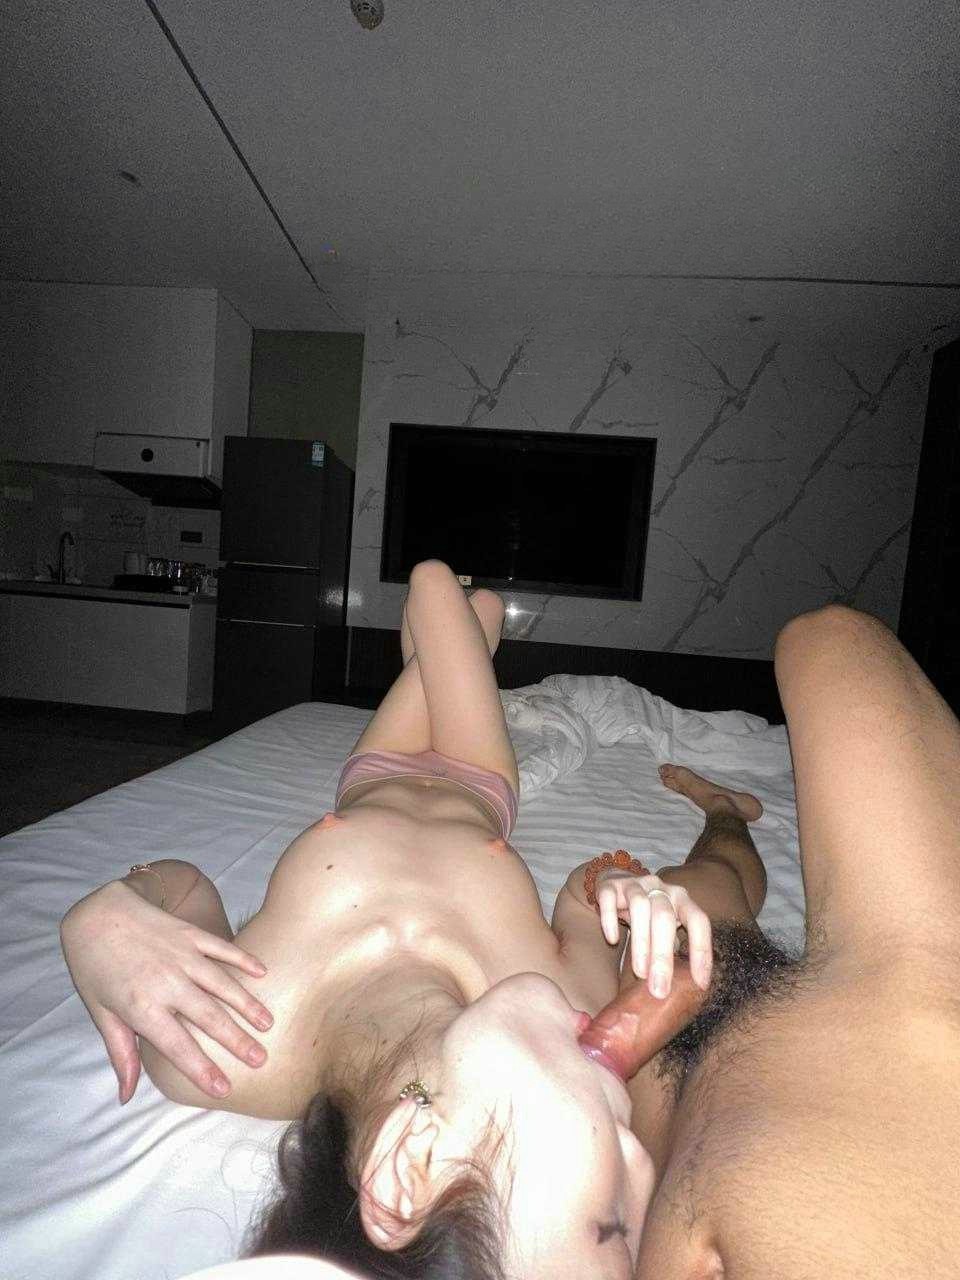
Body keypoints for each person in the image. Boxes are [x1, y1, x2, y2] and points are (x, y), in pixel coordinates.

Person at [59, 559, 714, 1280]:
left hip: (375, 773)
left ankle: (467, 637)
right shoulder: (571, 1008)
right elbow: (585, 900)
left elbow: (183, 892)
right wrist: (623, 881)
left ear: (411, 1167)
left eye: (612, 1222)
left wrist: (108, 912)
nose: (641, 1151)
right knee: (471, 612)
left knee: (436, 582)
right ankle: (470, 637)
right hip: (480, 782)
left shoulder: (218, 1046)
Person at [612, 604, 960, 1279]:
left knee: (689, 894)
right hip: (892, 1038)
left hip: (678, 1095)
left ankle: (723, 811)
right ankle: (723, 810)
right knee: (828, 639)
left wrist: (605, 880)